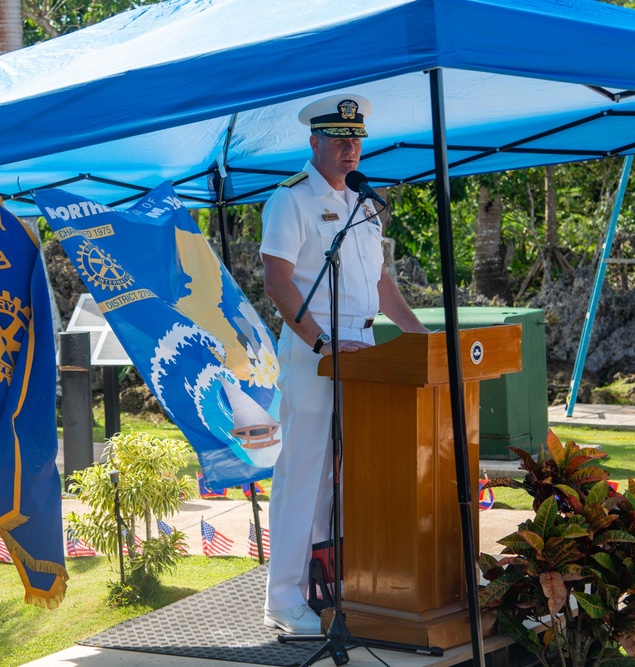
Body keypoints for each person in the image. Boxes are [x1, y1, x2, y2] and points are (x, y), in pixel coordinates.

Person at [259, 94, 429, 634]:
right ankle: (283, 599)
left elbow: (381, 283)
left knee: (344, 475)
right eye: (337, 138)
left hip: (365, 352)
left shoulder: (367, 203)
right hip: (316, 352)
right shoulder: (291, 200)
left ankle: (330, 584)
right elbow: (276, 280)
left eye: (355, 138)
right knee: (303, 471)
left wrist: (419, 335)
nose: (349, 147)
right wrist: (320, 343)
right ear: (314, 143)